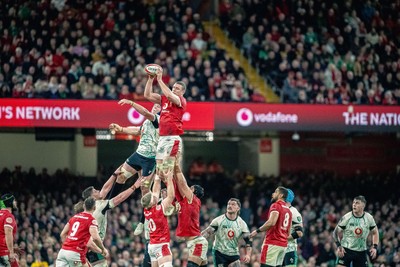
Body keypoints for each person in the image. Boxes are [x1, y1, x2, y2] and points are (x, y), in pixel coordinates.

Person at [81, 175, 142, 267]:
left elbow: (105, 188)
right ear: (92, 197)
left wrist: (114, 174)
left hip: (82, 246)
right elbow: (119, 198)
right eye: (95, 191)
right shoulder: (100, 205)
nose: (98, 190)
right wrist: (134, 186)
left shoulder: (86, 209)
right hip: (91, 247)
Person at [108, 98, 161, 194]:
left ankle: (150, 208)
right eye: (155, 105)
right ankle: (109, 204)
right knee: (121, 177)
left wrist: (131, 102)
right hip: (138, 155)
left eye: (158, 106)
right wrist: (121, 129)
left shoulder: (158, 119)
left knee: (144, 189)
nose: (155, 106)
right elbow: (137, 131)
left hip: (149, 159)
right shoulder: (147, 121)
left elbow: (145, 112)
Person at [144, 68, 187, 174]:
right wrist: (150, 79)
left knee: (170, 173)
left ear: (182, 92)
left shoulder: (181, 100)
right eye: (173, 87)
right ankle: (157, 191)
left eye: (177, 89)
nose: (174, 89)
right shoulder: (164, 99)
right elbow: (147, 95)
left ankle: (177, 190)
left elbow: (169, 95)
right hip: (162, 138)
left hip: (172, 139)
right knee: (159, 173)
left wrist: (159, 80)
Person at [56, 197, 108, 267]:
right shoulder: (91, 220)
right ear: (95, 208)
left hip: (63, 252)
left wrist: (68, 246)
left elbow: (62, 234)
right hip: (75, 253)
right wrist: (102, 249)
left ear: (84, 206)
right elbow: (95, 238)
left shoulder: (74, 217)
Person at [173, 163, 208, 267]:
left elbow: (182, 184)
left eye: (190, 188)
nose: (187, 189)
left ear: (194, 193)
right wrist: (171, 172)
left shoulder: (194, 200)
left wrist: (176, 165)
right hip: (192, 242)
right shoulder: (185, 201)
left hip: (197, 242)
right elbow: (178, 184)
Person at [201, 198, 252, 266]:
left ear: (238, 208)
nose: (230, 206)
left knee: (237, 264)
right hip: (219, 253)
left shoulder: (241, 223)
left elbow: (248, 240)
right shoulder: (218, 220)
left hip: (234, 253)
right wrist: (198, 239)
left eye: (233, 204)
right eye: (228, 204)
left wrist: (248, 255)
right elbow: (206, 233)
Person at [250, 186, 292, 267]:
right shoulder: (288, 210)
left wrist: (257, 231)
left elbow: (271, 222)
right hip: (283, 245)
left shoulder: (275, 205)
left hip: (272, 243)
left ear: (280, 195)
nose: (273, 194)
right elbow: (288, 231)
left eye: (276, 192)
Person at [141, 169, 175, 267]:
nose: (155, 196)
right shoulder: (159, 210)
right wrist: (169, 179)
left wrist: (157, 177)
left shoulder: (146, 210)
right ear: (152, 202)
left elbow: (155, 191)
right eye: (153, 197)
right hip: (161, 245)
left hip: (152, 246)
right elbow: (171, 196)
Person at [333, 195, 379, 267]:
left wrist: (375, 247)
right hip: (346, 250)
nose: (354, 204)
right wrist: (339, 246)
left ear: (363, 206)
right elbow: (335, 232)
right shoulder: (346, 217)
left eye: (357, 203)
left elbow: (375, 232)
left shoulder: (369, 218)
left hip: (361, 251)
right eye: (353, 203)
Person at [283, 189, 304, 267]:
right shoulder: (280, 211)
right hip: (279, 249)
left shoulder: (293, 212)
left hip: (289, 250)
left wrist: (283, 238)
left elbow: (299, 233)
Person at [0, 194, 20, 267]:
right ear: (9, 203)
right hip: (3, 253)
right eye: (14, 200)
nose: (16, 202)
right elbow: (8, 233)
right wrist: (11, 251)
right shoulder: (8, 216)